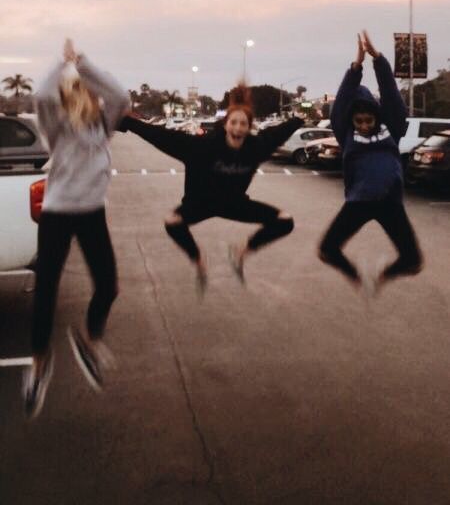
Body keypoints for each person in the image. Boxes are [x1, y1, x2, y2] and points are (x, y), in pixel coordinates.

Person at [23, 39, 129, 419]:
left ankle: (89, 338)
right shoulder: (57, 127)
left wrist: (82, 64)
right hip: (57, 215)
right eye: (74, 94)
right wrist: (61, 62)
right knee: (47, 291)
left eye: (86, 94)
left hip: (92, 214)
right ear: (67, 100)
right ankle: (38, 365)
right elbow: (40, 94)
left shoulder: (103, 125)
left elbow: (121, 97)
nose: (86, 100)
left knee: (109, 286)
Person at [119, 86, 303, 293]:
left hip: (236, 203)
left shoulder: (256, 147)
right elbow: (161, 135)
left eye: (243, 124)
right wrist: (128, 123)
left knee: (285, 221)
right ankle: (197, 258)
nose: (238, 128)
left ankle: (242, 250)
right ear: (226, 126)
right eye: (234, 123)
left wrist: (298, 120)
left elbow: (278, 133)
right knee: (172, 221)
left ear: (249, 128)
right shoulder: (202, 147)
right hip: (200, 203)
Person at [318, 31, 423, 293]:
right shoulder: (347, 133)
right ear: (352, 121)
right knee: (327, 249)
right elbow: (341, 103)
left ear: (376, 116)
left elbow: (391, 96)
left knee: (413, 260)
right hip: (359, 202)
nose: (364, 125)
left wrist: (379, 60)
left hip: (390, 202)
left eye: (369, 120)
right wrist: (356, 66)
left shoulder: (392, 127)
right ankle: (353, 273)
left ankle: (386, 275)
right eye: (359, 121)